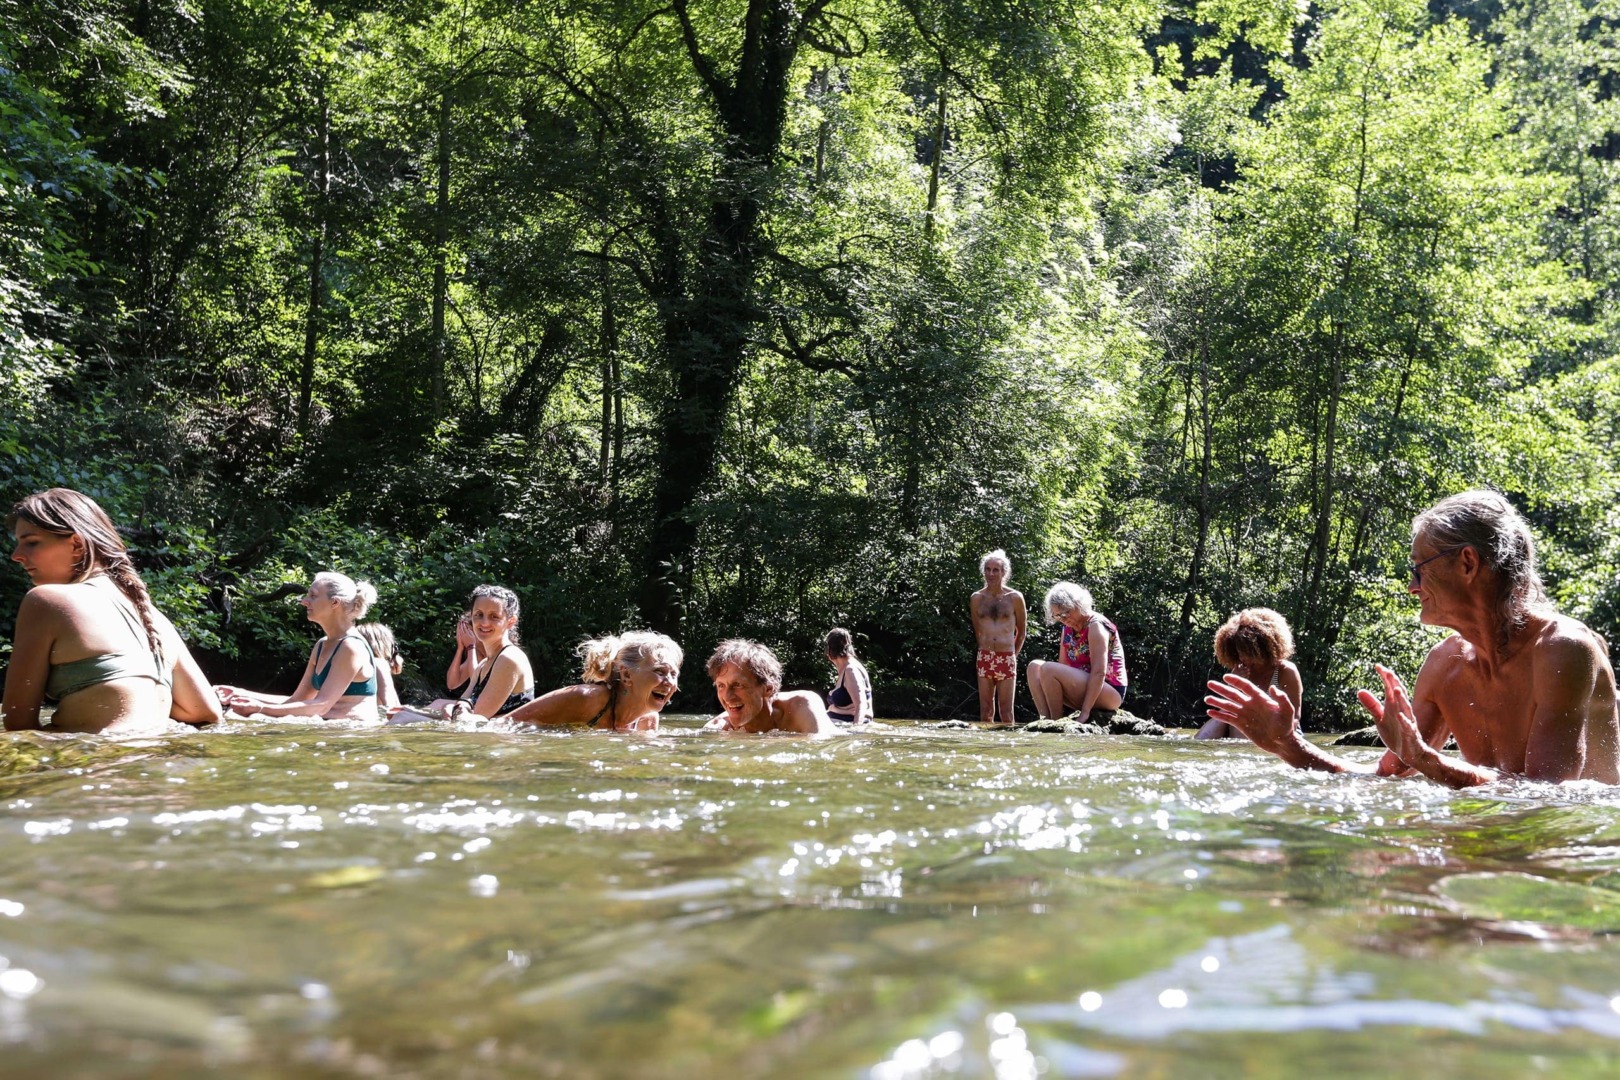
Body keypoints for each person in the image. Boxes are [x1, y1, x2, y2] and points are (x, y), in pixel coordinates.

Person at [1205, 490, 1620, 787]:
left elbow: (1546, 799)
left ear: (1468, 563)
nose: (1411, 586)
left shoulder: (1564, 650)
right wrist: (1290, 745)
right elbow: (1382, 780)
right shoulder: (1445, 665)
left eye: (1419, 568)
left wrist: (1426, 760)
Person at [4, 488, 221, 734]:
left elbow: (18, 723)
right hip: (153, 761)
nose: (16, 556)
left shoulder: (46, 601)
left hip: (92, 764)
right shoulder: (152, 617)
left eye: (31, 542)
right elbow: (206, 712)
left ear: (76, 544)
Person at [215, 571, 380, 721]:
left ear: (334, 603)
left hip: (353, 736)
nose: (304, 601)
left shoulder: (350, 647)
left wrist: (261, 708)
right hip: (328, 728)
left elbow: (321, 706)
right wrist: (238, 693)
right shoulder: (321, 645)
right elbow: (298, 700)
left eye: (313, 596)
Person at [501, 632, 682, 731]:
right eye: (660, 672)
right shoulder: (587, 698)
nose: (669, 682)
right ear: (626, 676)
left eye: (674, 674)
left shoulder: (648, 720)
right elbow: (503, 725)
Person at [1026, 582, 1128, 723]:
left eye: (1066, 612)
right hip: (1082, 687)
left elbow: (1099, 672)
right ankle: (1045, 720)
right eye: (1058, 616)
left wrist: (1084, 713)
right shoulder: (1067, 628)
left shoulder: (1096, 626)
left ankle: (1056, 722)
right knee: (1034, 667)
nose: (1063, 618)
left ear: (1078, 604)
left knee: (1048, 668)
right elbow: (1063, 666)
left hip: (1110, 692)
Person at [1197, 608, 1303, 740]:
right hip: (1244, 731)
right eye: (1238, 651)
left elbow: (1295, 718)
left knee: (1243, 721)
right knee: (1226, 720)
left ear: (1264, 647)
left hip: (1282, 731)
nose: (1242, 657)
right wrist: (1234, 686)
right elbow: (1227, 711)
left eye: (1247, 651)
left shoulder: (1286, 670)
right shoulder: (1241, 670)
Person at [437, 585, 534, 720]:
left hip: (508, 740)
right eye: (478, 615)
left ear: (510, 622)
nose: (484, 623)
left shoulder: (509, 659)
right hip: (485, 736)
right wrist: (453, 708)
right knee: (403, 715)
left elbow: (477, 718)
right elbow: (464, 700)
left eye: (494, 616)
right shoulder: (484, 664)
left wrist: (450, 708)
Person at [704, 639, 841, 733]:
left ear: (768, 688)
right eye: (721, 685)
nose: (727, 697)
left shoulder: (802, 706)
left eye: (738, 685)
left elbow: (824, 750)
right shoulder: (717, 728)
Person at [970, 549, 1027, 725]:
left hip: (1006, 656)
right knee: (985, 711)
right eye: (987, 569)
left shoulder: (1015, 598)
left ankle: (1008, 749)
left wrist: (1012, 656)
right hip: (985, 656)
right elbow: (977, 630)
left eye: (996, 570)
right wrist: (985, 651)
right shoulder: (977, 598)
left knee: (1006, 712)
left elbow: (1022, 631)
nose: (991, 573)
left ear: (1004, 572)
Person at [824, 627, 873, 724]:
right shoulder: (846, 668)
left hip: (849, 726)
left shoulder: (851, 670)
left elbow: (861, 705)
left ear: (830, 649)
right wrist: (833, 709)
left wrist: (856, 731)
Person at [357, 622, 404, 711]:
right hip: (377, 717)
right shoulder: (378, 663)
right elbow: (391, 705)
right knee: (438, 703)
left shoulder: (355, 664)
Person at [445, 610, 480, 697]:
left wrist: (471, 646)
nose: (465, 636)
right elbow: (451, 684)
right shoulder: (475, 654)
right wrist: (460, 649)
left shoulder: (492, 652)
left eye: (468, 632)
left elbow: (477, 682)